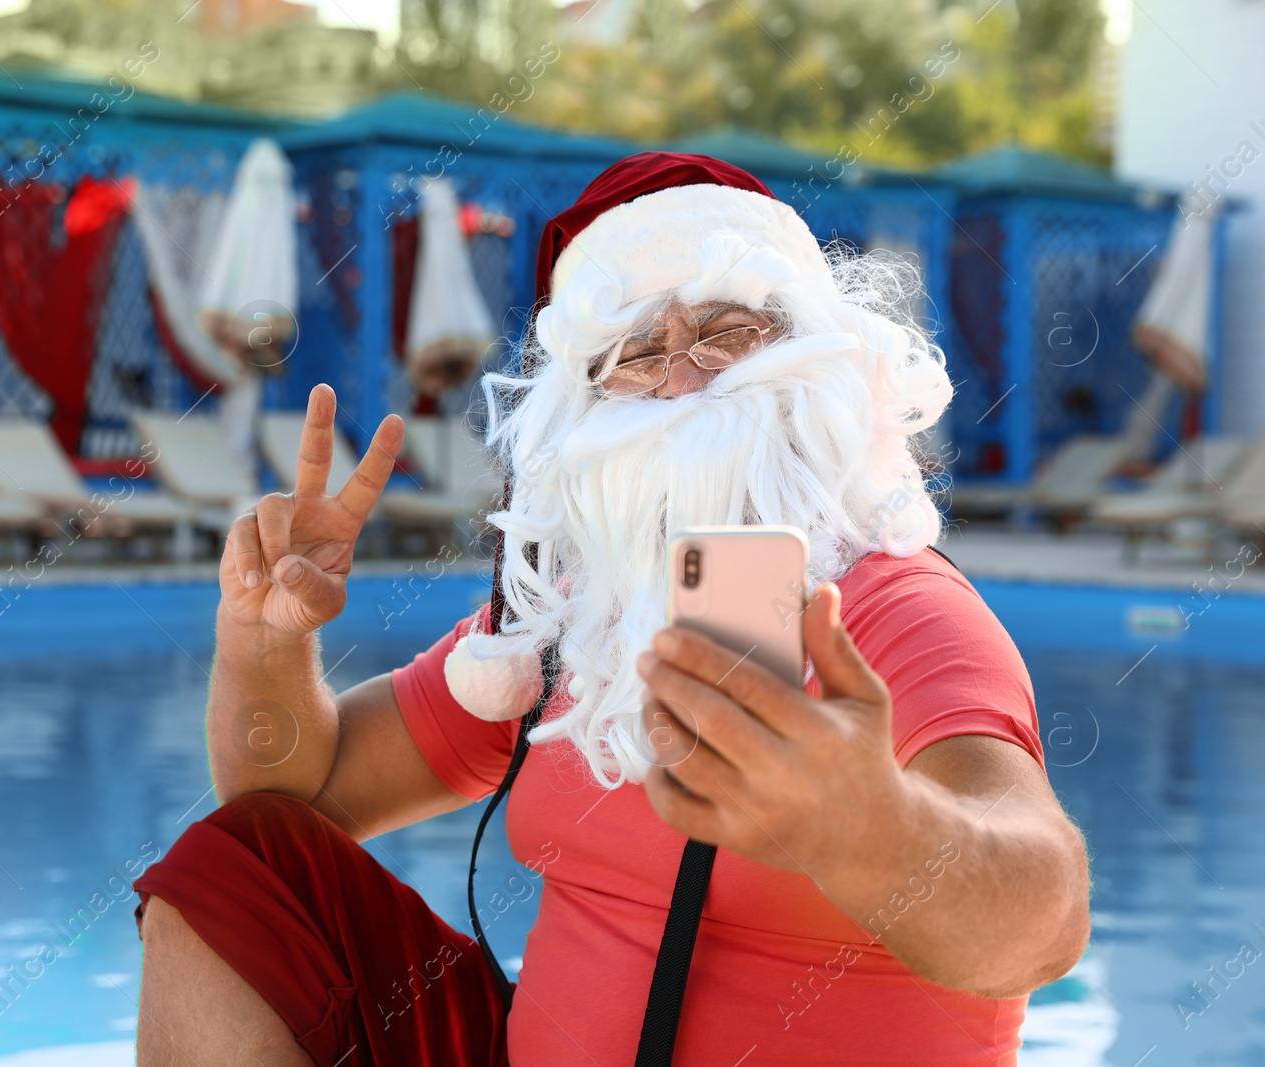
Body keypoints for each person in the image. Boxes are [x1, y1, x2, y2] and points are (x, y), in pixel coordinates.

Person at [132, 153, 1090, 1067]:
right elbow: (300, 801)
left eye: (725, 334)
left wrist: (869, 827)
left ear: (815, 362)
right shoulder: (562, 631)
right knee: (234, 874)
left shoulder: (897, 613)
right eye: (636, 352)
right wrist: (262, 647)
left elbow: (1043, 924)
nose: (681, 379)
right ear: (581, 407)